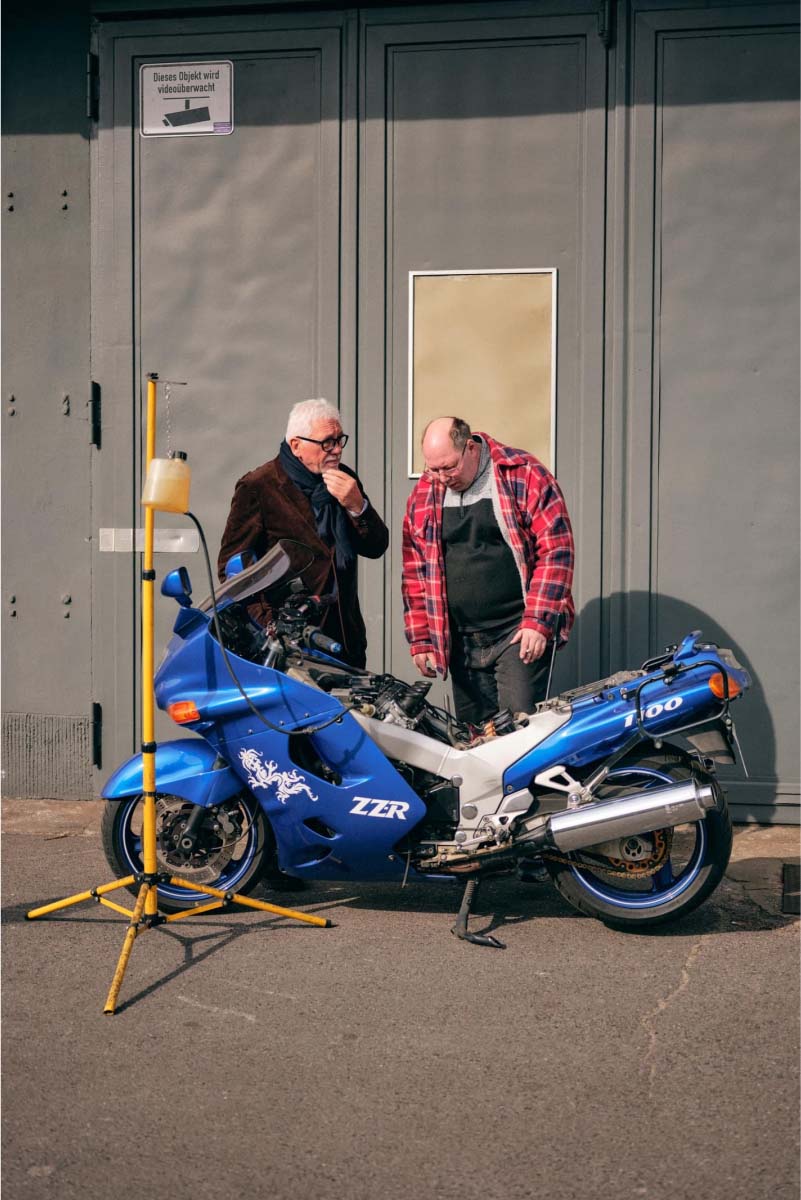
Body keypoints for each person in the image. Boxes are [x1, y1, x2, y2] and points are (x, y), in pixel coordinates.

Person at [402, 416, 575, 726]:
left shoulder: (522, 474)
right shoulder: (425, 493)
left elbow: (556, 549)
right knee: (476, 738)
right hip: (462, 641)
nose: (442, 478)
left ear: (470, 448)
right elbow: (415, 570)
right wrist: (422, 639)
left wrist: (538, 622)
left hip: (517, 632)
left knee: (517, 732)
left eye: (449, 467)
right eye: (433, 469)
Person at [218, 398, 388, 669]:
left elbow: (376, 546)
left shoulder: (344, 479)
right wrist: (271, 627)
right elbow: (233, 572)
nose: (336, 450)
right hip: (289, 645)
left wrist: (358, 506)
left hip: (344, 639)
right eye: (327, 442)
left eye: (339, 440)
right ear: (296, 445)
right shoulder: (259, 486)